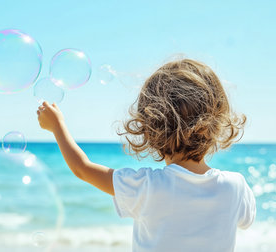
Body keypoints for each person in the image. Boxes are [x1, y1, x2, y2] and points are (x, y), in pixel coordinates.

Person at [36, 58, 256, 252]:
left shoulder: (147, 187)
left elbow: (82, 168)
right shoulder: (235, 187)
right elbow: (247, 220)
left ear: (149, 128)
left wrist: (57, 126)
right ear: (215, 121)